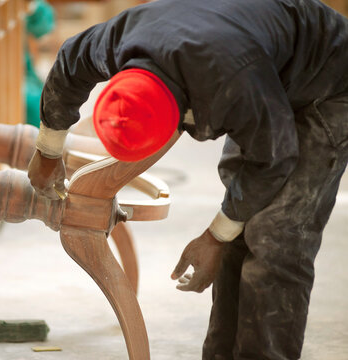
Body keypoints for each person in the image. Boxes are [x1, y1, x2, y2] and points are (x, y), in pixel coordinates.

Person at [26, 0, 348, 358]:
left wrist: (213, 236)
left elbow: (274, 159)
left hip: (328, 80)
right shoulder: (118, 41)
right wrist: (48, 150)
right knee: (242, 221)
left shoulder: (231, 83)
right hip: (259, 62)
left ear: (185, 116)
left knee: (276, 234)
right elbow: (70, 61)